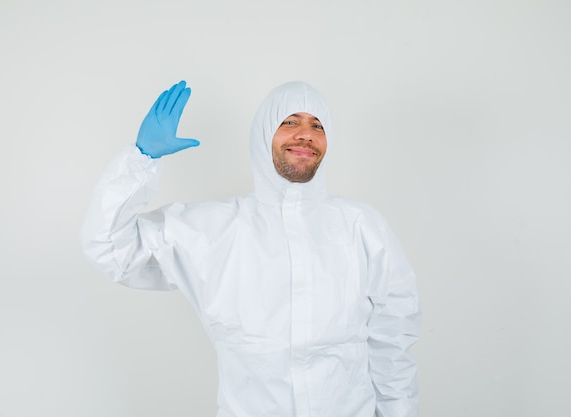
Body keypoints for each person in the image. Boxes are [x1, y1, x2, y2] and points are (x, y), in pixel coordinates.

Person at [81, 80, 421, 417]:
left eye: (317, 125)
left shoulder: (361, 227)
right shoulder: (212, 230)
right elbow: (111, 248)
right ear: (263, 136)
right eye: (289, 122)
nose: (305, 134)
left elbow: (392, 340)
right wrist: (141, 159)